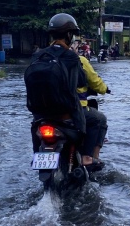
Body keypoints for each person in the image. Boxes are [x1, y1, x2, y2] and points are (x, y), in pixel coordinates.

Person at [27, 13, 86, 149]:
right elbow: (82, 81)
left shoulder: (38, 55)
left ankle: (37, 154)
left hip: (39, 112)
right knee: (96, 120)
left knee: (35, 126)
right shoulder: (70, 56)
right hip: (65, 110)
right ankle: (85, 159)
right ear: (69, 35)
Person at [72, 40, 110, 171]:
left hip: (46, 111)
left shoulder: (45, 58)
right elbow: (94, 81)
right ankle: (90, 157)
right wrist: (105, 89)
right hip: (74, 110)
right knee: (100, 119)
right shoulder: (79, 60)